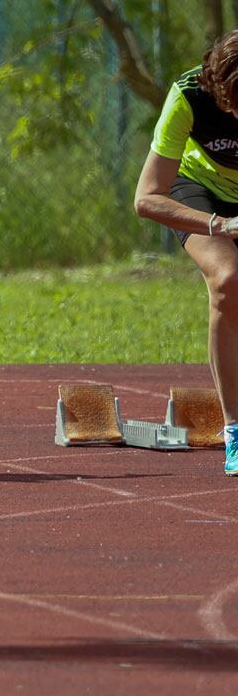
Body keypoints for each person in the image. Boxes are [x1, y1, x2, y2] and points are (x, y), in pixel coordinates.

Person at [132, 30, 238, 476]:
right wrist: (219, 225)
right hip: (202, 195)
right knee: (229, 281)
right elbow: (147, 198)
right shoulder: (188, 94)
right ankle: (235, 430)